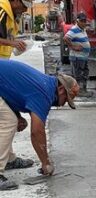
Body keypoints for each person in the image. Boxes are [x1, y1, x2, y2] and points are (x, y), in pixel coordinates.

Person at [0, 59, 79, 190]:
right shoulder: (44, 93)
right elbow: (37, 132)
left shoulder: (44, 84)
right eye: (66, 99)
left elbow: (10, 90)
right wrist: (46, 162)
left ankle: (9, 159)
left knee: (10, 118)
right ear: (61, 89)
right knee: (9, 121)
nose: (63, 103)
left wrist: (18, 116)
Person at [0, 0, 35, 172]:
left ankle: (8, 158)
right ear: (14, 1)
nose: (24, 9)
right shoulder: (2, 10)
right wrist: (12, 43)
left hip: (2, 68)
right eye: (22, 4)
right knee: (8, 119)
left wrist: (14, 44)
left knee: (5, 119)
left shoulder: (11, 15)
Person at [63, 12, 93, 97]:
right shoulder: (74, 29)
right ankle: (79, 91)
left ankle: (83, 90)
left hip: (83, 57)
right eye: (82, 21)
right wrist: (73, 46)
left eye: (84, 21)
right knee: (78, 74)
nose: (84, 22)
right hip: (77, 57)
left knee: (84, 73)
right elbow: (65, 38)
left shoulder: (82, 29)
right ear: (78, 21)